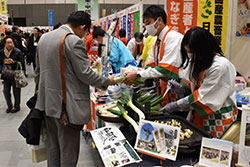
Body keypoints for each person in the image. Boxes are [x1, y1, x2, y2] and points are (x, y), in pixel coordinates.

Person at [34, 11, 116, 167]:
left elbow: (38, 73)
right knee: (68, 153)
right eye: (86, 33)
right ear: (82, 27)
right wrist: (107, 81)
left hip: (46, 103)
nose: (84, 36)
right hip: (66, 107)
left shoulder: (44, 38)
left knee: (53, 149)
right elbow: (85, 74)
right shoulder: (73, 41)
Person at [159, 27, 237, 138]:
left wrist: (176, 105)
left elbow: (203, 97)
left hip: (217, 119)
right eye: (187, 52)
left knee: (212, 150)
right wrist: (181, 88)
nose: (190, 56)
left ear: (203, 50)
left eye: (191, 52)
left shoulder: (220, 66)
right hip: (198, 115)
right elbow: (193, 85)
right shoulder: (199, 61)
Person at [122, 5, 183, 105]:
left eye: (148, 23)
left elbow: (165, 69)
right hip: (162, 90)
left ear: (159, 20)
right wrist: (136, 73)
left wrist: (137, 75)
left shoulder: (173, 38)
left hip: (176, 93)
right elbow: (151, 64)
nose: (146, 27)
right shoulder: (157, 41)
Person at [0, 36, 25, 113]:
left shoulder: (18, 52)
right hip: (5, 75)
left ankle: (17, 106)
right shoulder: (1, 52)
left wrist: (13, 62)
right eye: (8, 43)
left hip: (15, 74)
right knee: (6, 91)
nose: (10, 44)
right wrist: (1, 70)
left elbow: (22, 64)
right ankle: (9, 106)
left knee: (16, 92)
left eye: (11, 42)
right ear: (5, 44)